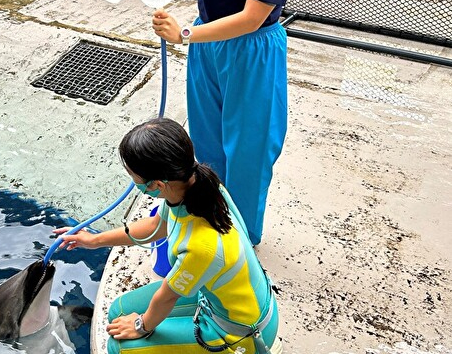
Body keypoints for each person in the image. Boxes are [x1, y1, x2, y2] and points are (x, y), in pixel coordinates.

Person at [112, 0, 299, 245]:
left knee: (247, 151)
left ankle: (239, 242)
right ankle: (208, 225)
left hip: (251, 51)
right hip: (207, 45)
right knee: (208, 142)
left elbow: (252, 17)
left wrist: (185, 33)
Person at [55, 117, 282, 353]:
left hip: (241, 330)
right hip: (216, 297)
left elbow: (166, 298)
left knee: (120, 347)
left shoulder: (201, 246)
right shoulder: (193, 188)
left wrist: (141, 326)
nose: (133, 181)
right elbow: (155, 226)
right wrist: (93, 240)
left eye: (134, 177)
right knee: (117, 311)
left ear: (158, 185)